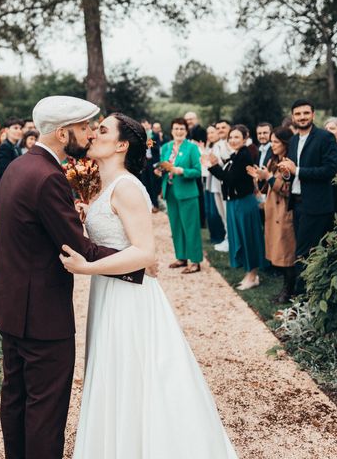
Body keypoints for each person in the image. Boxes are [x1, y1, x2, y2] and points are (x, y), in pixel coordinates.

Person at [59, 113, 239, 459]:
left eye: (103, 130)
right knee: (116, 374)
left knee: (135, 377)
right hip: (108, 293)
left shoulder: (127, 187)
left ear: (122, 145)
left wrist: (88, 267)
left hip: (129, 296)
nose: (94, 134)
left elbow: (145, 252)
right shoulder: (102, 185)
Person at [0, 96, 145, 459]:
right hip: (40, 315)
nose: (89, 134)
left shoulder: (20, 167)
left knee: (16, 396)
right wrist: (137, 262)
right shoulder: (48, 177)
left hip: (9, 306)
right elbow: (79, 251)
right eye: (84, 127)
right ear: (61, 133)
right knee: (45, 408)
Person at [278, 99, 337, 293]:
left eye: (305, 113)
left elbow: (329, 170)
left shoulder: (324, 138)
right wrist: (287, 173)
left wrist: (298, 170)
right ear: (293, 116)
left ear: (313, 114)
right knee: (306, 252)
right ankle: (308, 297)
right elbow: (293, 172)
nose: (302, 117)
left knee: (304, 254)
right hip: (296, 203)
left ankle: (301, 300)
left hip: (316, 205)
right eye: (298, 114)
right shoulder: (294, 139)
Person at [209, 124, 267, 290]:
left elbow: (230, 179)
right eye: (231, 138)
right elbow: (228, 176)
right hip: (234, 202)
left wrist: (212, 167)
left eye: (236, 137)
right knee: (240, 238)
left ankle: (253, 275)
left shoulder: (244, 155)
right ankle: (249, 273)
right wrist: (216, 166)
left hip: (244, 203)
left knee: (248, 239)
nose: (233, 140)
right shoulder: (235, 156)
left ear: (245, 139)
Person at [247, 127, 296, 301]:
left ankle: (288, 291)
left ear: (285, 143)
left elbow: (287, 189)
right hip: (272, 212)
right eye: (272, 141)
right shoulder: (273, 160)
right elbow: (268, 185)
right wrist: (260, 177)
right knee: (278, 253)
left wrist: (268, 177)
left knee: (286, 254)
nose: (272, 145)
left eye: (276, 141)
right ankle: (286, 289)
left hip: (283, 212)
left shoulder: (289, 163)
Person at [156, 118, 203, 274]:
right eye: (176, 128)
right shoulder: (165, 147)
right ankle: (181, 257)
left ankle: (195, 261)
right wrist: (159, 170)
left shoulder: (192, 148)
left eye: (182, 129)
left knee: (191, 227)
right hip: (170, 191)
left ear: (186, 131)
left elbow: (197, 171)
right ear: (171, 130)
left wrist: (182, 171)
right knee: (176, 226)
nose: (179, 131)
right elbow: (163, 165)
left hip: (187, 193)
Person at [209, 119, 233, 252]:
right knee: (222, 213)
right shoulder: (217, 145)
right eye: (218, 128)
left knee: (228, 213)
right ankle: (227, 238)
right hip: (216, 183)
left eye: (223, 127)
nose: (220, 130)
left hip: (226, 185)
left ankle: (230, 239)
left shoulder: (231, 144)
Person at [203, 125, 226, 244]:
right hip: (209, 182)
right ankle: (215, 236)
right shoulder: (211, 147)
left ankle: (220, 237)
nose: (210, 135)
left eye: (212, 132)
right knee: (211, 212)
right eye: (208, 133)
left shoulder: (222, 145)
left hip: (218, 183)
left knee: (217, 212)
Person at [140, 118, 161, 212]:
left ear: (149, 124)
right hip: (145, 162)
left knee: (153, 184)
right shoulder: (141, 135)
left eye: (146, 123)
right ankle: (149, 204)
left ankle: (156, 204)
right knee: (145, 183)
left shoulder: (155, 135)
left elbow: (157, 149)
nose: (144, 125)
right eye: (142, 124)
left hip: (153, 162)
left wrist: (150, 142)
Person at [0, 117, 25, 183]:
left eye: (20, 128)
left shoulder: (17, 147)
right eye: (15, 128)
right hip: (7, 184)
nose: (19, 131)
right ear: (6, 130)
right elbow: (5, 171)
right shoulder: (5, 147)